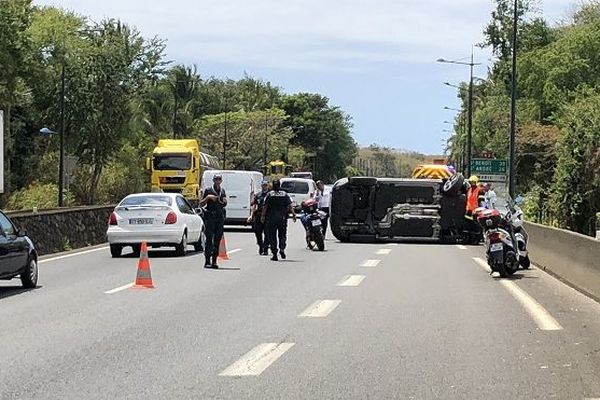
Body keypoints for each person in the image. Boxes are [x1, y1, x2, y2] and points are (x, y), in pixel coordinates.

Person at [261, 179, 296, 261]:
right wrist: (294, 214)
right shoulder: (284, 194)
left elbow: (265, 206)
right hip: (282, 218)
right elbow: (290, 205)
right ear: (280, 185)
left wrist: (262, 216)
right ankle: (282, 249)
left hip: (271, 218)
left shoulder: (270, 194)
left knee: (272, 236)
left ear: (272, 185)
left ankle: (275, 254)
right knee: (282, 235)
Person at [200, 174, 227, 268]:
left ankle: (214, 261)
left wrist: (223, 201)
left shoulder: (222, 191)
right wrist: (208, 198)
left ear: (221, 180)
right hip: (210, 217)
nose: (217, 181)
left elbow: (224, 203)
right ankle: (207, 261)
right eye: (216, 179)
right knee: (209, 239)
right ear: (213, 180)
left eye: (219, 179)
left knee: (217, 240)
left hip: (219, 218)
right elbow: (201, 204)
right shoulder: (208, 190)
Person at [248, 181, 270, 255]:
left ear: (268, 186)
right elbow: (254, 205)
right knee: (257, 232)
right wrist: (251, 215)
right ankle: (260, 245)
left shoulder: (270, 195)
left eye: (266, 185)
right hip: (258, 215)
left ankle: (266, 248)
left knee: (267, 233)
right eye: (263, 185)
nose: (264, 187)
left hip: (268, 216)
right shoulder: (258, 195)